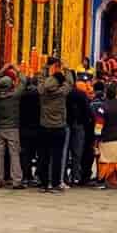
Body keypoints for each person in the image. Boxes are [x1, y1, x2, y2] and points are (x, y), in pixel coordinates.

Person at [37, 58, 73, 193]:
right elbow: (70, 82)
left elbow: (40, 79)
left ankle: (44, 184)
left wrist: (45, 67)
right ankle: (56, 182)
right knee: (57, 157)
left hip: (44, 127)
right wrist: (66, 68)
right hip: (59, 128)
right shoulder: (61, 92)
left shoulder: (42, 91)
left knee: (44, 156)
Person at [0, 65, 26, 189]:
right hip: (13, 128)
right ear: (11, 85)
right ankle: (16, 180)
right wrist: (16, 69)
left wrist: (1, 71)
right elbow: (23, 81)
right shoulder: (15, 95)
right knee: (14, 154)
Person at [94, 82, 117, 190]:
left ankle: (102, 181)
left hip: (106, 139)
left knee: (105, 161)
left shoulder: (102, 108)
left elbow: (99, 126)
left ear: (105, 94)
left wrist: (96, 140)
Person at [19, 76, 41, 187]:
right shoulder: (40, 96)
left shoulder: (21, 96)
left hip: (24, 128)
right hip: (37, 128)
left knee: (25, 154)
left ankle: (26, 176)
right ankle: (37, 175)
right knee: (39, 154)